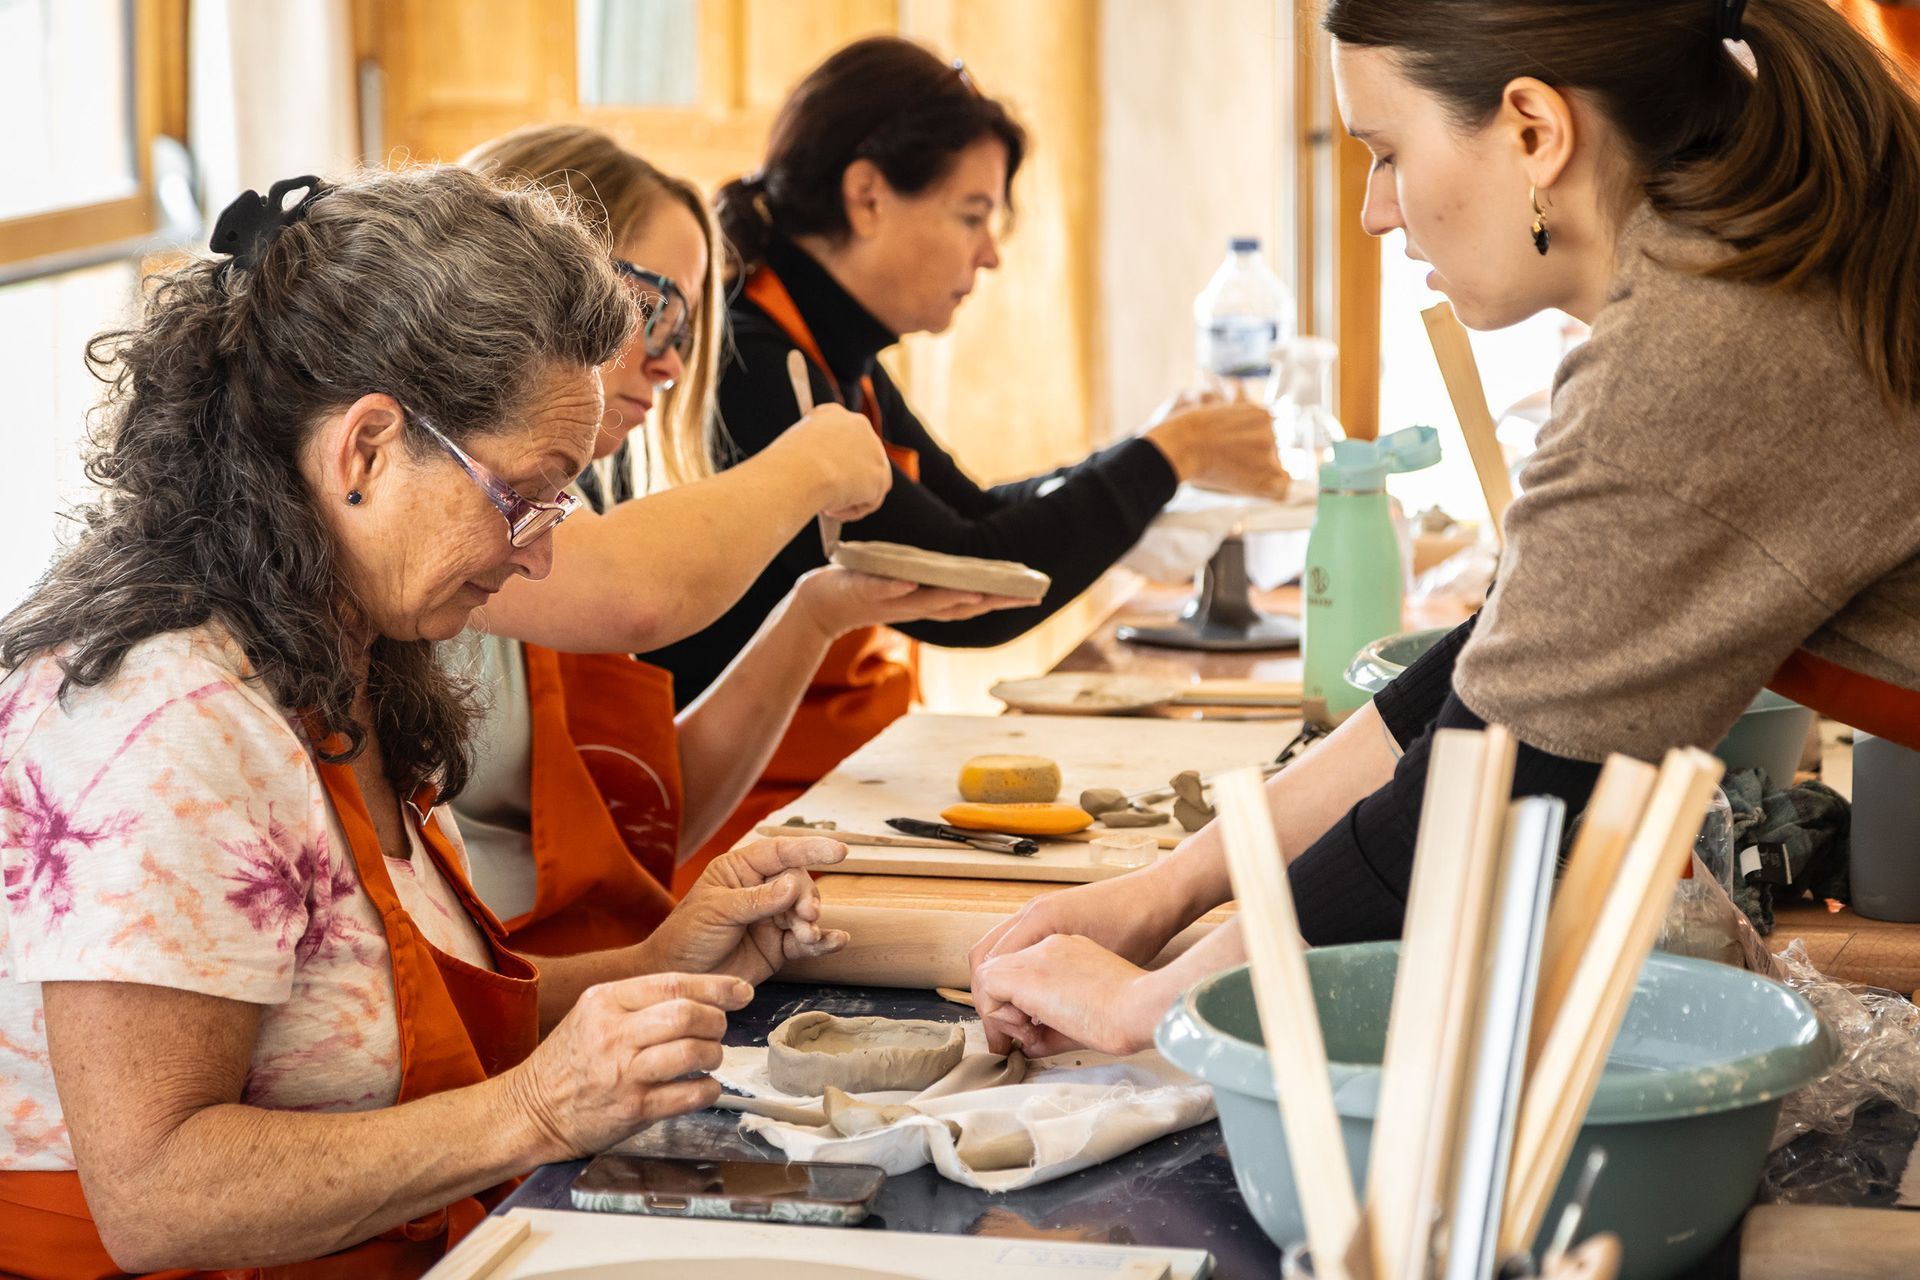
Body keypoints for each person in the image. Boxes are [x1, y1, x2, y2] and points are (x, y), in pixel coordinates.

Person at [967, 0, 1920, 1057]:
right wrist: (1167, 889)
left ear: (1534, 130)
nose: (1376, 211)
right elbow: (1501, 674)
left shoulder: (1704, 347)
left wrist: (1158, 1006)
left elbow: (1488, 788)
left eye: (1387, 153)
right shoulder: (1753, 263)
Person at [0, 166, 850, 1276]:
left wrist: (654, 962)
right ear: (365, 448)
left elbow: (388, 1029)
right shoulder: (164, 721)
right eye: (526, 498)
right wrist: (535, 1112)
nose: (540, 555)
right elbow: (159, 1196)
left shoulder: (340, 652)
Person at [645, 36, 1297, 887]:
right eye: (972, 214)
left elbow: (977, 514)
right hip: (719, 830)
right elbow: (970, 583)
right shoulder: (757, 365)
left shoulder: (834, 353)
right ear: (868, 197)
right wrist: (1164, 458)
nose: (989, 253)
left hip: (820, 778)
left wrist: (1149, 450)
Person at [451, 125, 1021, 953]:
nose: (672, 364)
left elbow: (646, 818)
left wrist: (816, 615)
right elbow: (632, 593)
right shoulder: (446, 484)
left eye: (684, 332)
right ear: (527, 275)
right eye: (655, 311)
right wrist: (808, 465)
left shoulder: (565, 508)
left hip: (556, 971)